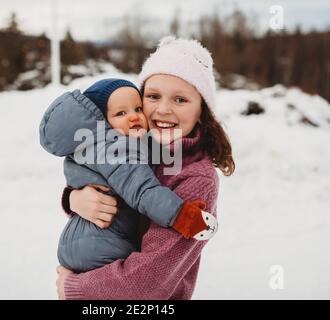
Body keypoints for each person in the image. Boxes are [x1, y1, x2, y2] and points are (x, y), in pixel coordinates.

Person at [56, 36, 235, 300]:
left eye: (180, 100)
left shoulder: (196, 179)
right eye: (153, 96)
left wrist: (73, 288)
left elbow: (148, 283)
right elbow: (101, 180)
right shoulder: (139, 147)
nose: (163, 109)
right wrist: (74, 198)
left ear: (202, 111)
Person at [39, 78, 217, 273]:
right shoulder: (117, 149)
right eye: (121, 113)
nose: (133, 117)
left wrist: (71, 198)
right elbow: (142, 190)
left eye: (138, 109)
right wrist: (183, 216)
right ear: (104, 122)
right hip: (101, 244)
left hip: (83, 240)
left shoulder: (94, 145)